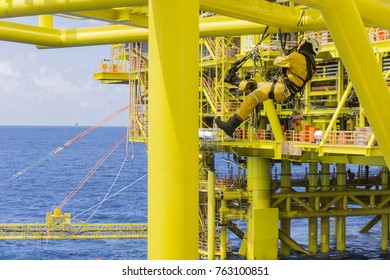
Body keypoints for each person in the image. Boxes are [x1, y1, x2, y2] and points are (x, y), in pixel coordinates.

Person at [215, 37, 321, 137]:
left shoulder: (297, 57)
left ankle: (231, 125)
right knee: (255, 85)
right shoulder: (312, 67)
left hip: (281, 87)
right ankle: (232, 79)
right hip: (285, 91)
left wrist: (283, 56)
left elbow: (277, 62)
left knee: (252, 98)